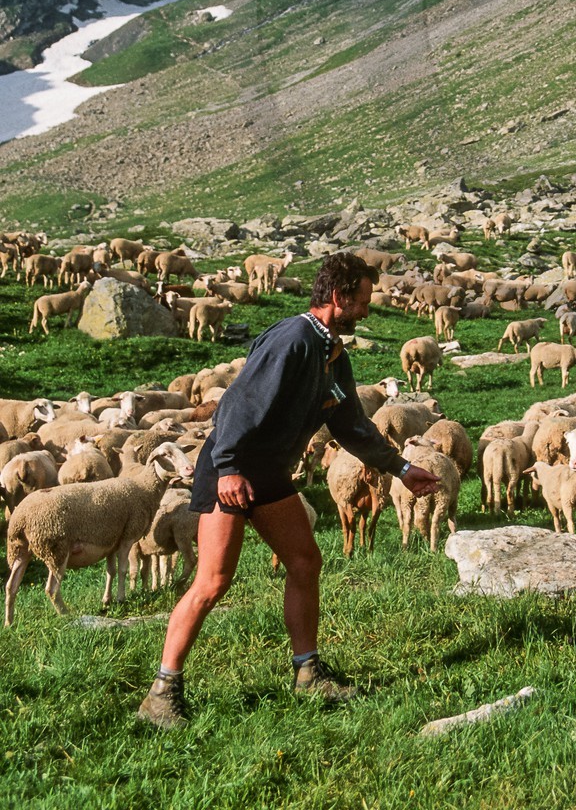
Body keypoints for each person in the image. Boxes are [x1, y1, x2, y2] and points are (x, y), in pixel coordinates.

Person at [138, 251, 439, 727]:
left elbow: (349, 423)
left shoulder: (331, 353)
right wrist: (231, 466)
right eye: (361, 301)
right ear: (338, 297)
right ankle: (161, 694)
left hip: (268, 474)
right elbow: (237, 404)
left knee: (304, 561)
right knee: (213, 582)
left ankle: (307, 675)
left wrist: (400, 468)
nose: (366, 310)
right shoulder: (294, 339)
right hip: (230, 471)